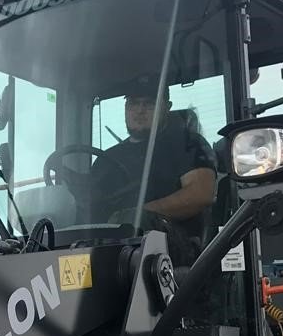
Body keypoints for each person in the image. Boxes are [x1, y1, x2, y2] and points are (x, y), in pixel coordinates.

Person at [87, 72, 217, 247]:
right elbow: (91, 206)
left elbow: (200, 194)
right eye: (133, 104)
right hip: (111, 248)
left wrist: (139, 215)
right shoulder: (106, 159)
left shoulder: (188, 144)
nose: (140, 110)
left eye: (149, 104)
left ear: (167, 107)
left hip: (175, 254)